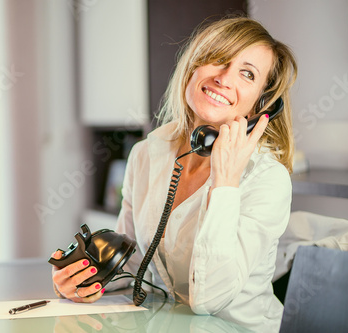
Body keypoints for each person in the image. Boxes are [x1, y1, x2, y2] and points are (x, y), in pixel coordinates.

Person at [51, 16, 297, 332]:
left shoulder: (266, 180)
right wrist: (83, 281)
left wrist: (225, 182)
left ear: (260, 108)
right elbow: (136, 265)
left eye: (246, 74)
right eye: (218, 60)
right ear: (193, 67)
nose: (224, 78)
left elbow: (209, 302)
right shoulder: (145, 154)